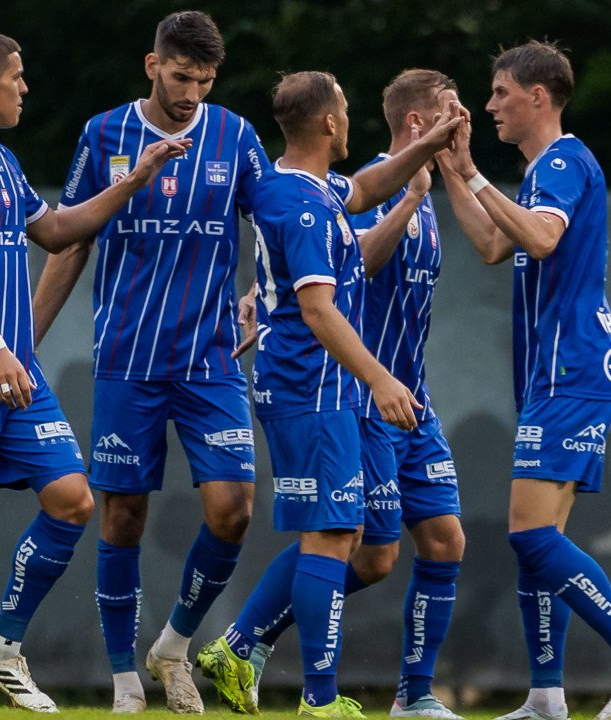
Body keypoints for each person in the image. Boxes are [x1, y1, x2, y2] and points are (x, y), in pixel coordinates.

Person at [0, 32, 189, 712]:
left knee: (73, 499)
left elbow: (59, 231)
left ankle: (2, 645)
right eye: (19, 76)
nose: (27, 87)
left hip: (12, 375)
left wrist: (134, 179)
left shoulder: (1, 161)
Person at [195, 71, 461, 719]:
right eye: (344, 108)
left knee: (346, 538)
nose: (349, 118)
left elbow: (367, 186)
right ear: (330, 124)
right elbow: (318, 308)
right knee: (333, 535)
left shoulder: (312, 188)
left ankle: (255, 659)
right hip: (309, 387)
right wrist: (379, 377)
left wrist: (428, 154)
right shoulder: (299, 202)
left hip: (321, 387)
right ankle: (317, 698)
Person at [31, 11, 267, 714]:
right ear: (151, 65)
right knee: (123, 514)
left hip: (210, 359)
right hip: (127, 358)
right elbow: (70, 240)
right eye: (181, 76)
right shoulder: (105, 133)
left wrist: (264, 294)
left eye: (204, 79)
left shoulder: (235, 136)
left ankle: (173, 645)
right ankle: (124, 680)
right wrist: (24, 340)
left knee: (234, 511)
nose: (192, 92)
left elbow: (279, 228)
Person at [435, 40, 611, 720]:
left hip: (571, 369)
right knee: (541, 542)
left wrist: (478, 176)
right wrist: (455, 169)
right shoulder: (543, 173)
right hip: (557, 375)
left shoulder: (566, 161)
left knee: (528, 535)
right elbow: (492, 245)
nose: (489, 106)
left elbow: (540, 240)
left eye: (501, 93)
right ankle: (546, 697)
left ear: (538, 96)